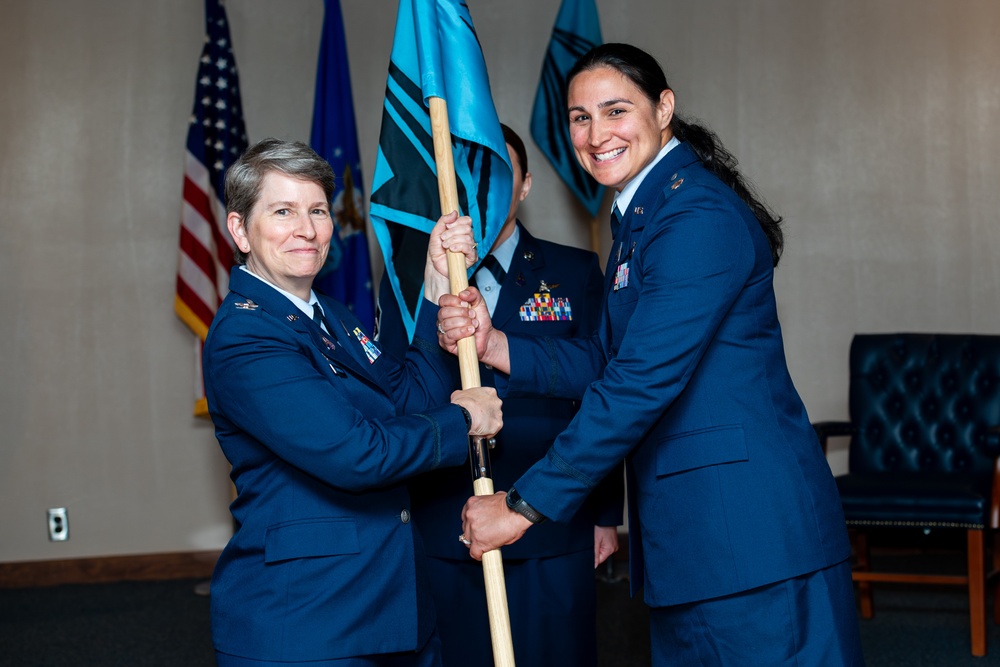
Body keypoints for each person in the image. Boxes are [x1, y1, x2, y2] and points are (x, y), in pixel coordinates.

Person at [438, 44, 865, 666]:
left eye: (616, 111)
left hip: (750, 542)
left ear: (664, 108)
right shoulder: (643, 214)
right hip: (697, 544)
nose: (596, 133)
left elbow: (638, 383)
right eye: (580, 117)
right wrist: (497, 344)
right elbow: (612, 361)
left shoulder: (693, 214)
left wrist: (523, 505)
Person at [203, 138, 501, 667]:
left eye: (317, 210)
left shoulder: (332, 315)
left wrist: (434, 285)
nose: (307, 228)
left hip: (390, 607)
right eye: (282, 211)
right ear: (239, 230)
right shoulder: (246, 335)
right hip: (309, 623)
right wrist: (465, 419)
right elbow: (355, 454)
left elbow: (407, 397)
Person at [376, 124, 622, 667]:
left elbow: (609, 389)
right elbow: (393, 391)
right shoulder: (409, 279)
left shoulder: (574, 269)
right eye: (466, 175)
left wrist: (606, 512)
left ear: (525, 184)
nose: (479, 187)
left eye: (496, 173)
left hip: (552, 515)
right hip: (446, 512)